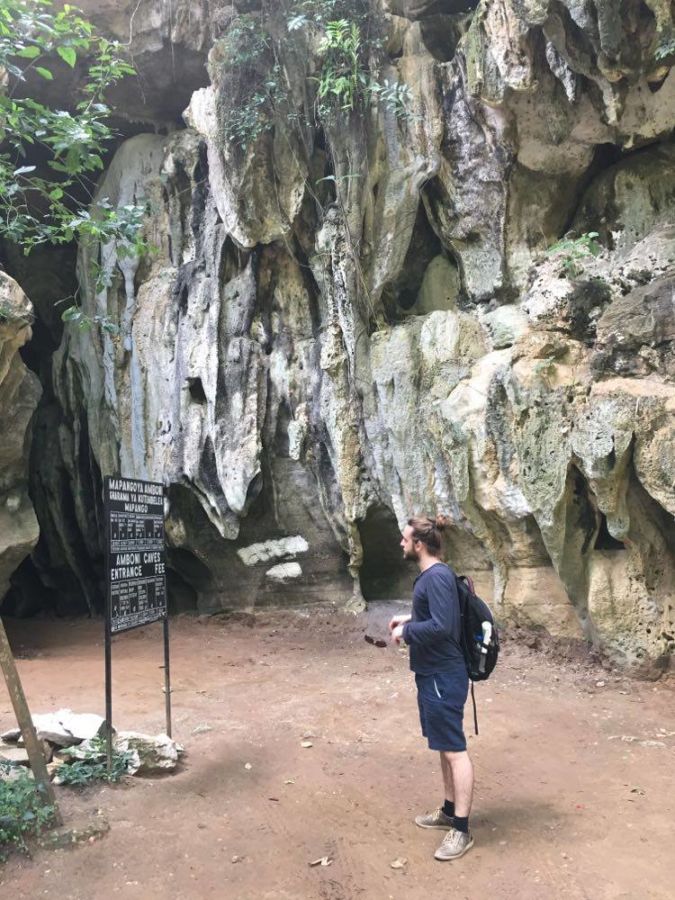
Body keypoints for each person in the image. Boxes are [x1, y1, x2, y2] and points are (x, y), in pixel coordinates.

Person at [389, 515, 474, 861]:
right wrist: (408, 618)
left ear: (419, 544)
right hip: (432, 673)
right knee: (443, 744)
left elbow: (443, 625)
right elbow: (438, 615)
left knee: (454, 749)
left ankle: (462, 830)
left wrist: (405, 634)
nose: (402, 543)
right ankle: (449, 810)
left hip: (443, 674)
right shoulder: (433, 576)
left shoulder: (436, 576)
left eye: (405, 539)